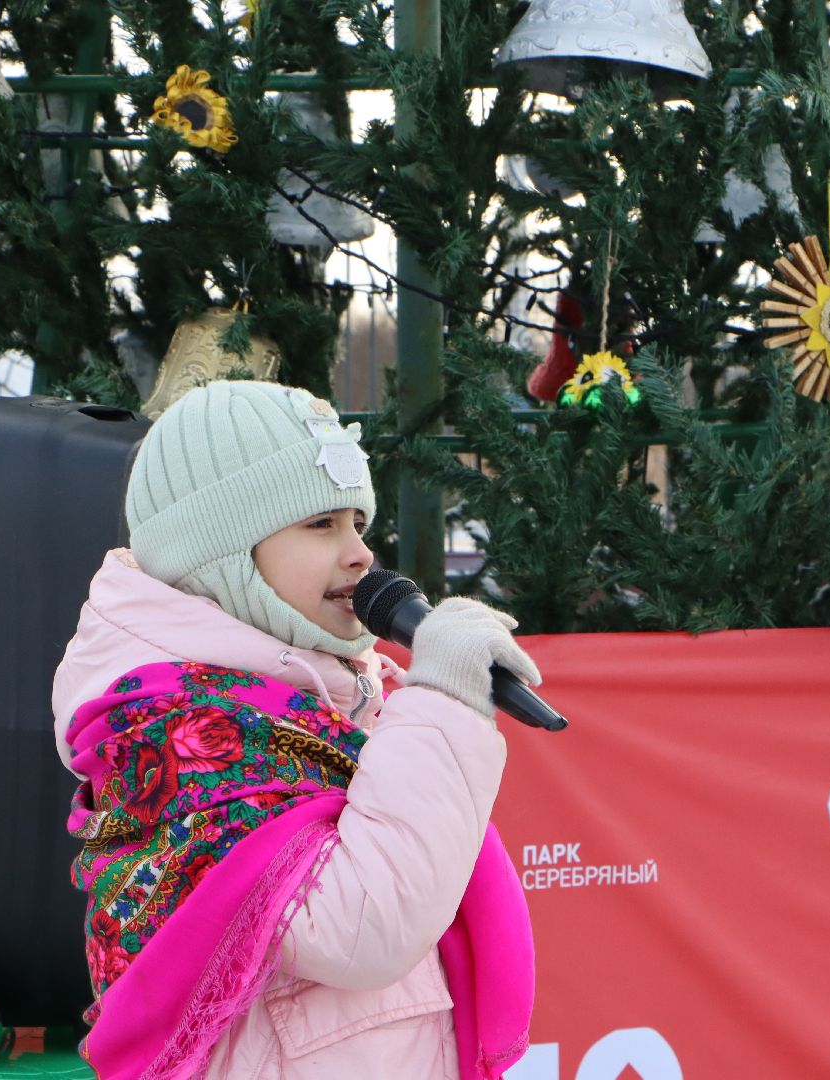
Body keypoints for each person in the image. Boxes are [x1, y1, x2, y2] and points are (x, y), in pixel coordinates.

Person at [51, 380, 540, 1079]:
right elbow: (360, 926)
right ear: (218, 552)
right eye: (320, 525)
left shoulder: (321, 701)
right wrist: (444, 704)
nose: (359, 554)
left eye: (358, 524)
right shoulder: (184, 728)